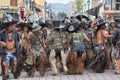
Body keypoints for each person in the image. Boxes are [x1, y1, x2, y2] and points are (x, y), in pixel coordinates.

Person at [0, 13, 20, 79]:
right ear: (7, 26)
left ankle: (15, 74)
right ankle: (4, 76)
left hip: (14, 51)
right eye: (11, 26)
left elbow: (18, 40)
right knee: (4, 63)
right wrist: (1, 42)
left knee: (17, 62)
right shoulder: (2, 33)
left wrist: (18, 45)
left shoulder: (16, 32)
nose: (12, 27)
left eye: (13, 25)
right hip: (5, 51)